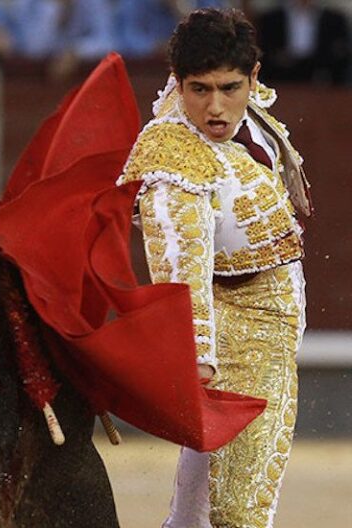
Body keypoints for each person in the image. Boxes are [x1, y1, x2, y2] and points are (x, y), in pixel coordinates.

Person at [116, 8, 311, 527]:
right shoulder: (173, 159)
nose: (216, 108)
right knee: (240, 508)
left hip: (266, 314)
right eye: (199, 90)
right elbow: (181, 266)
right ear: (178, 85)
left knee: (196, 506)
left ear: (254, 78)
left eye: (229, 88)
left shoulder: (250, 113)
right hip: (240, 334)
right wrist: (198, 359)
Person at [258, 0, 351, 85]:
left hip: (320, 77)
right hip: (281, 78)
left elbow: (340, 53)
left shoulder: (334, 19)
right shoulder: (271, 18)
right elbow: (264, 51)